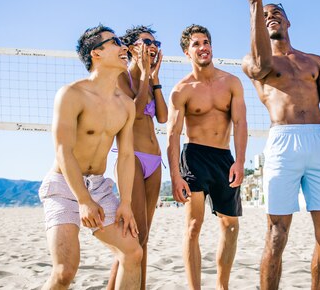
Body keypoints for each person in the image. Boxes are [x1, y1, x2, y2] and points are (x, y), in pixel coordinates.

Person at [232, 0, 320, 290]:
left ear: (288, 21)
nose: (271, 16)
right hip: (283, 143)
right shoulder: (255, 60)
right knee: (276, 235)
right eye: (265, 14)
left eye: (276, 13)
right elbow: (258, 66)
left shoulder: (314, 61)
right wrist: (255, 3)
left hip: (319, 142)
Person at [39, 25, 142, 290]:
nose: (124, 47)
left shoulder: (126, 104)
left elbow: (127, 156)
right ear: (96, 53)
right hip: (64, 185)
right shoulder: (71, 94)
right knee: (64, 272)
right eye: (116, 42)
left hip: (99, 186)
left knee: (133, 253)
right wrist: (83, 201)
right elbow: (62, 149)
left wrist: (126, 202)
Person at [167, 24, 247, 290]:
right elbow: (173, 135)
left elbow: (240, 123)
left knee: (231, 226)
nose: (203, 47)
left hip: (225, 157)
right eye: (196, 44)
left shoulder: (231, 82)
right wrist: (175, 176)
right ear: (186, 52)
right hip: (194, 156)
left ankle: (222, 286)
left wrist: (240, 161)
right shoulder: (181, 90)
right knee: (193, 226)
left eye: (206, 42)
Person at [107, 25, 168, 290]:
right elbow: (137, 112)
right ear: (131, 47)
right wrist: (144, 75)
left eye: (156, 42)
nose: (153, 46)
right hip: (131, 157)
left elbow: (163, 116)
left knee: (142, 238)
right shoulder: (121, 78)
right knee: (134, 236)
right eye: (146, 42)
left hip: (154, 160)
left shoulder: (150, 77)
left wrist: (154, 78)